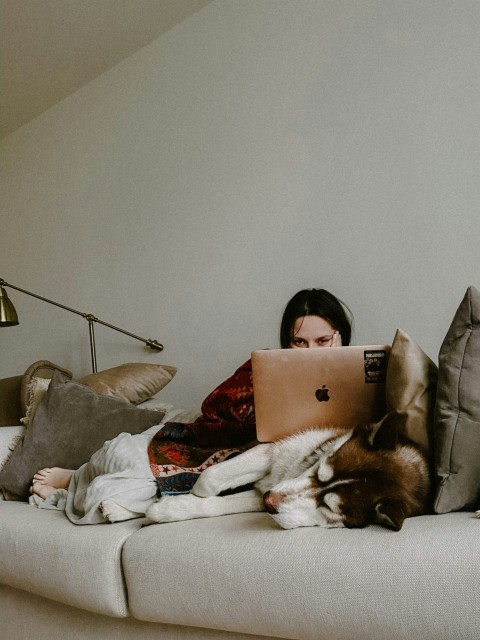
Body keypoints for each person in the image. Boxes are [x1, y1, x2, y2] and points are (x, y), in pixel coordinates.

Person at [30, 288, 353, 522]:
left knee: (117, 494)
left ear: (339, 336)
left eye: (322, 341)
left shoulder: (360, 371)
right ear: (287, 340)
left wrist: (336, 361)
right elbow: (214, 407)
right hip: (230, 443)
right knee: (123, 454)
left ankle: (80, 479)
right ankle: (78, 474)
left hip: (274, 461)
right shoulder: (267, 366)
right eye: (299, 342)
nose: (310, 350)